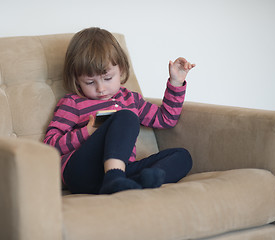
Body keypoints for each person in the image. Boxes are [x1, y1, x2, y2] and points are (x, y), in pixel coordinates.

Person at [44, 27, 195, 194]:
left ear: (121, 70)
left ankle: (132, 182)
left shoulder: (131, 99)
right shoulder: (73, 102)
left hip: (122, 170)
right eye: (89, 82)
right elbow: (49, 146)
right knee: (126, 116)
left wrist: (176, 82)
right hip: (81, 172)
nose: (100, 88)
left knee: (182, 156)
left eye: (107, 78)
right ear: (77, 80)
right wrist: (87, 131)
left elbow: (166, 119)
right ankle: (114, 178)